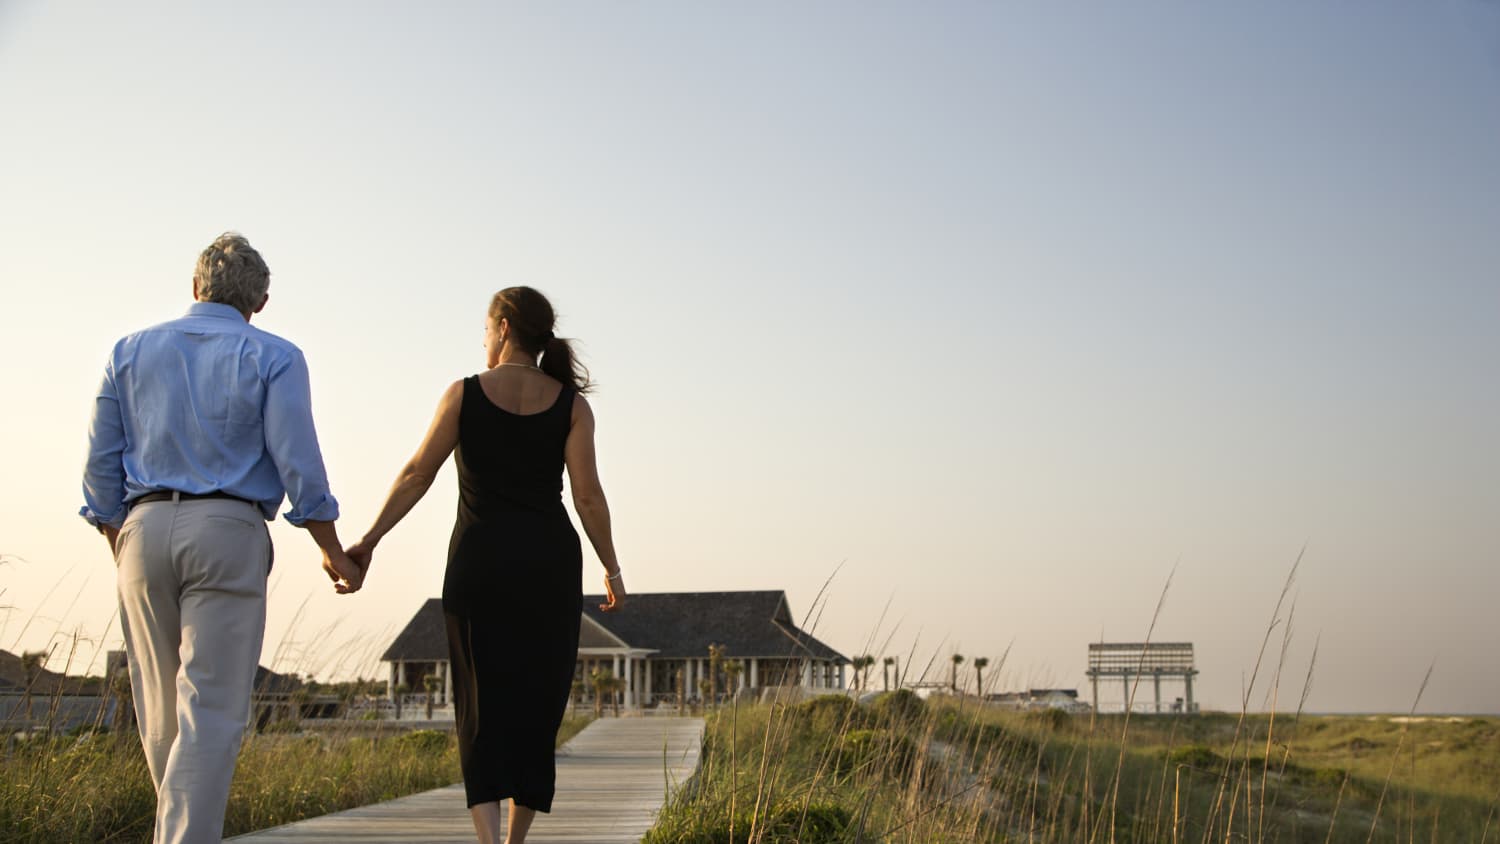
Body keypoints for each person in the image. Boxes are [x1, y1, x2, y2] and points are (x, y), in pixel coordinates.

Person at [79, 232, 363, 844]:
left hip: (141, 527)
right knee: (209, 713)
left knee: (160, 716)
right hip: (229, 528)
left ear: (194, 287)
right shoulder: (275, 355)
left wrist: (123, 545)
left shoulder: (127, 350)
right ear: (260, 300)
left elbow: (100, 472)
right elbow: (299, 464)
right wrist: (329, 547)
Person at [346, 286, 624, 844]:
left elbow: (416, 474)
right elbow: (588, 495)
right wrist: (612, 570)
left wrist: (369, 540)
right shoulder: (572, 404)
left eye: (485, 327)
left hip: (480, 566)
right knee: (537, 705)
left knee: (480, 706)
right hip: (548, 569)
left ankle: (488, 842)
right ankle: (516, 842)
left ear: (502, 328)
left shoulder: (463, 395)